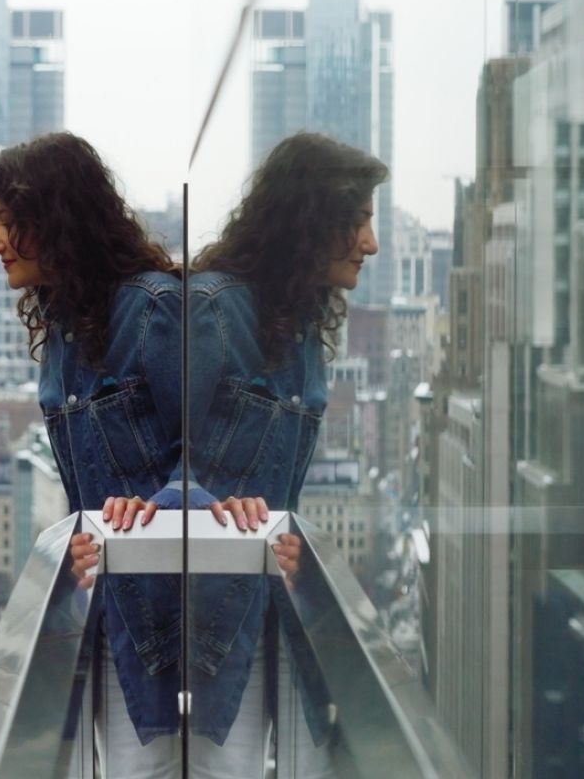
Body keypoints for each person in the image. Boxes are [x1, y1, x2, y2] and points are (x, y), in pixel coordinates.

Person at [170, 131, 386, 775]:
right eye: (359, 221)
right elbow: (163, 447)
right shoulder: (214, 310)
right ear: (311, 221)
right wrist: (207, 501)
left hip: (279, 598)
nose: (371, 242)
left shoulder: (303, 327)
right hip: (214, 611)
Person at [0, 132, 188, 773]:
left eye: (7, 222)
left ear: (56, 221)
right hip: (100, 611)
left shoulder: (154, 311)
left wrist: (160, 502)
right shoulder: (64, 330)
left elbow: (210, 445)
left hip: (166, 622)